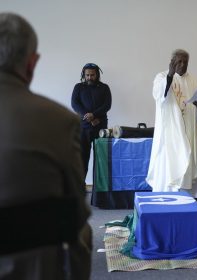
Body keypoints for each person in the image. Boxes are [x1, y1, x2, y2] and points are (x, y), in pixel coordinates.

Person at [0, 13, 92, 279]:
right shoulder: (58, 120)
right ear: (32, 62)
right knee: (81, 231)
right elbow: (77, 207)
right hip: (31, 262)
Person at [146, 49, 197, 198]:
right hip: (171, 130)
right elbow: (159, 95)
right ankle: (168, 194)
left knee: (189, 157)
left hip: (190, 128)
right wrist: (170, 75)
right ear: (172, 62)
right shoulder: (162, 77)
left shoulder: (194, 80)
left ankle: (190, 195)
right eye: (179, 61)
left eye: (185, 62)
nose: (182, 65)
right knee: (171, 159)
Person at [71, 62, 112, 178]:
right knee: (82, 158)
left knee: (101, 158)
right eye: (87, 75)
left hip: (101, 127)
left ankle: (100, 187)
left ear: (97, 75)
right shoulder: (78, 87)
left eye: (92, 75)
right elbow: (75, 104)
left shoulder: (104, 88)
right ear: (83, 75)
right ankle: (80, 185)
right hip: (83, 128)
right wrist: (88, 117)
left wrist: (94, 115)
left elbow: (107, 105)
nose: (89, 77)